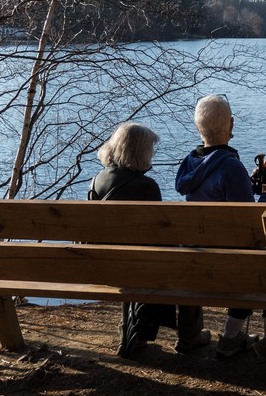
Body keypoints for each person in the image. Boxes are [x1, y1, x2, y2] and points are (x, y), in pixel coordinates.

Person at [175, 95, 266, 361]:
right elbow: (252, 229)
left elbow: (213, 191)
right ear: (231, 124)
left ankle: (232, 337)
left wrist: (244, 182)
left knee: (243, 259)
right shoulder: (230, 167)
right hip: (231, 267)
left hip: (199, 264)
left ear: (198, 128)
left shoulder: (189, 165)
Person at [89, 121, 211, 357]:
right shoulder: (146, 187)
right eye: (149, 149)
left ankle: (130, 334)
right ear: (137, 151)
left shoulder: (96, 181)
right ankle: (190, 336)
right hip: (141, 267)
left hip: (104, 265)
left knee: (135, 260)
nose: (152, 153)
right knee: (189, 263)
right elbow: (160, 238)